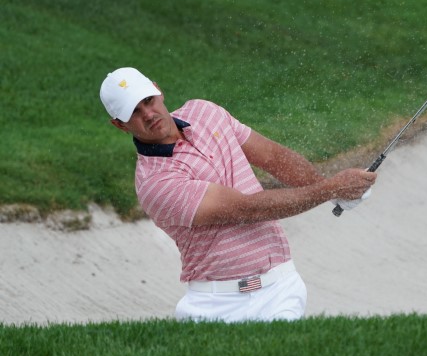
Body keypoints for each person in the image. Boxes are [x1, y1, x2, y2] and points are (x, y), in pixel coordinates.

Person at [99, 67, 376, 322]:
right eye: (134, 111)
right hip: (217, 304)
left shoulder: (205, 112)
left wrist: (330, 189)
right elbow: (247, 210)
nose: (148, 114)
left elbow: (272, 157)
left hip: (280, 287)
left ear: (158, 90)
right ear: (119, 125)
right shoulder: (155, 182)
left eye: (148, 100)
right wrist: (331, 188)